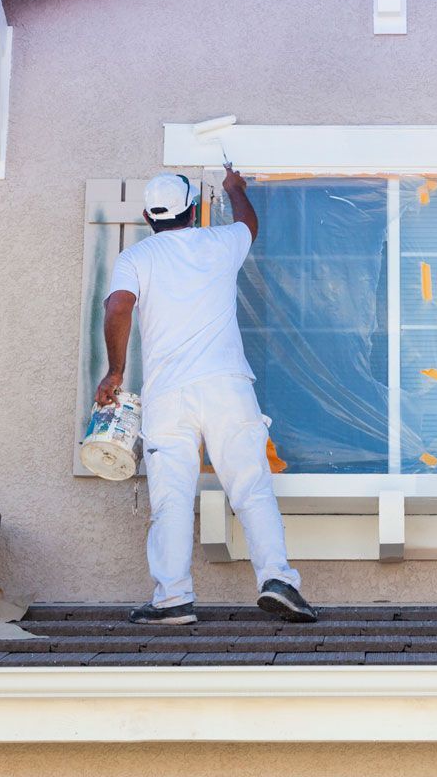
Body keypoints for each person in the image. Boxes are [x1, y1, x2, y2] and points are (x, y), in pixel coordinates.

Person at [95, 169, 317, 625]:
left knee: (171, 498)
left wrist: (115, 371)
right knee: (251, 487)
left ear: (145, 217)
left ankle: (173, 599)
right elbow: (248, 225)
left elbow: (118, 306)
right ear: (193, 211)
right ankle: (278, 580)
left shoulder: (135, 257)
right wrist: (236, 189)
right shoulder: (219, 244)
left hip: (168, 396)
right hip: (227, 388)